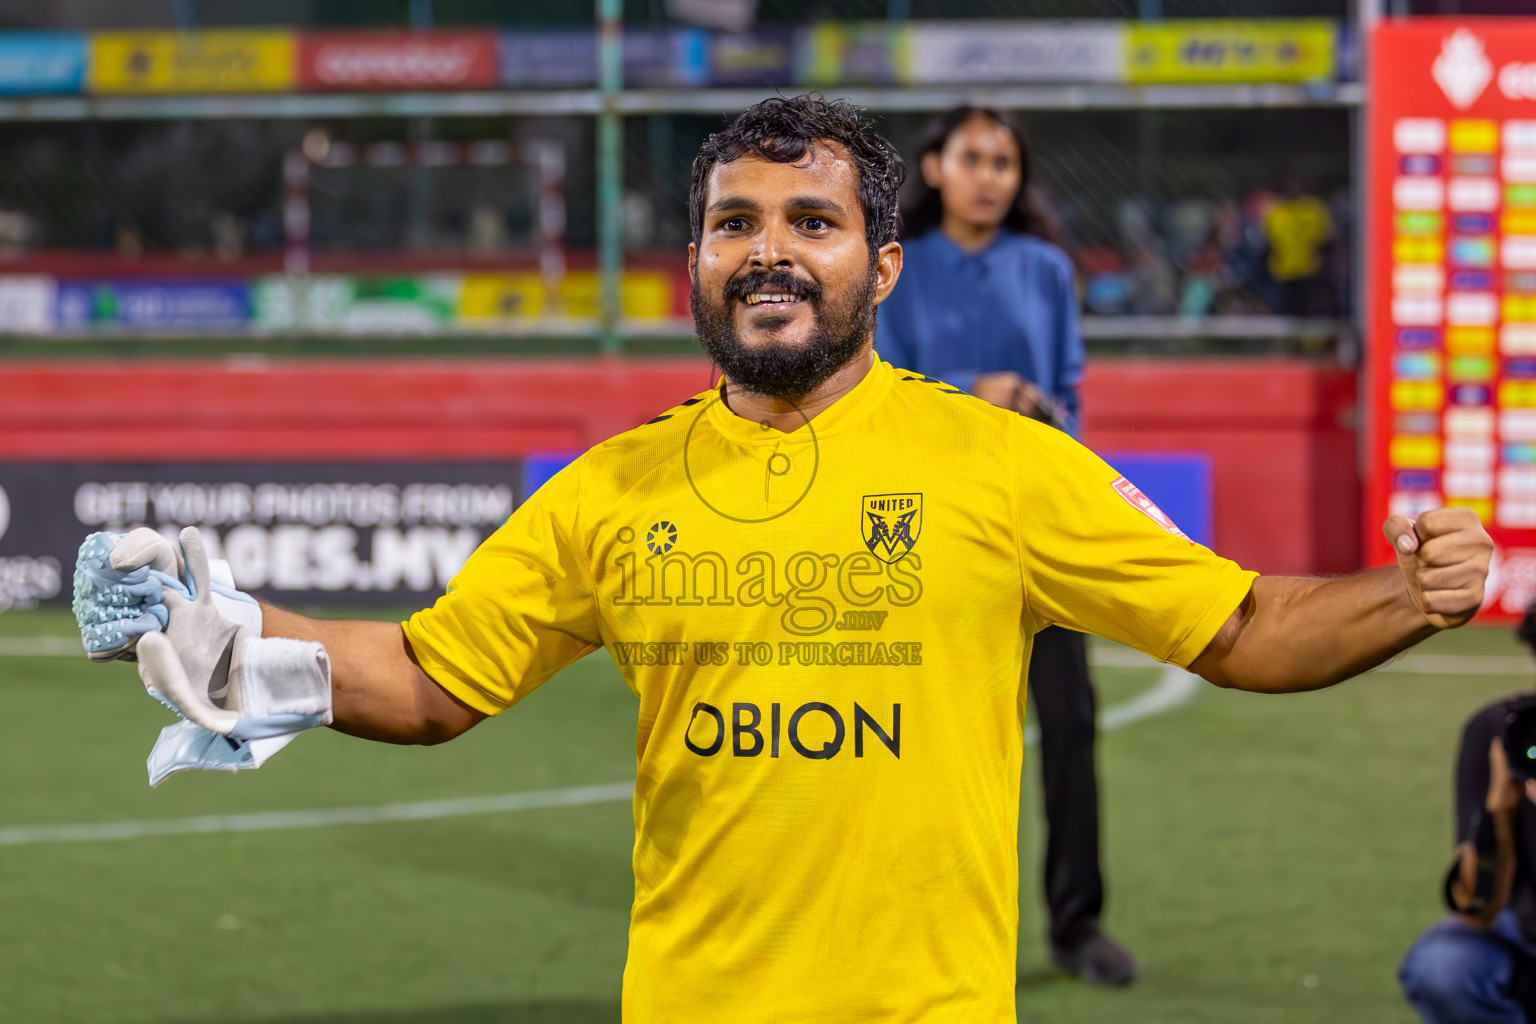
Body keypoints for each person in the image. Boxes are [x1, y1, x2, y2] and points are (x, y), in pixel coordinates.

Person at [79, 96, 1492, 1024]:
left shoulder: (1001, 467)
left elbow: (1240, 626)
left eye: (813, 224)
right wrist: (237, 633)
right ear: (691, 260)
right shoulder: (613, 490)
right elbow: (435, 676)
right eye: (735, 224)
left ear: (884, 266)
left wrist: (1409, 596)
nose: (771, 253)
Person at [875, 105, 1133, 985]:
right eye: (973, 157)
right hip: (931, 532)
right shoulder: (893, 271)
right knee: (918, 739)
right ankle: (909, 919)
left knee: (1068, 725)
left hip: (1033, 526)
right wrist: (968, 391)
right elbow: (881, 395)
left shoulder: (1048, 270)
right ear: (936, 167)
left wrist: (1042, 411)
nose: (990, 175)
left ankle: (1075, 925)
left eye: (1006, 162)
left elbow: (1070, 395)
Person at [1399, 606, 1536, 1023]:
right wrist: (1500, 811)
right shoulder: (1508, 732)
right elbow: (1477, 906)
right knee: (1443, 968)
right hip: (1523, 934)